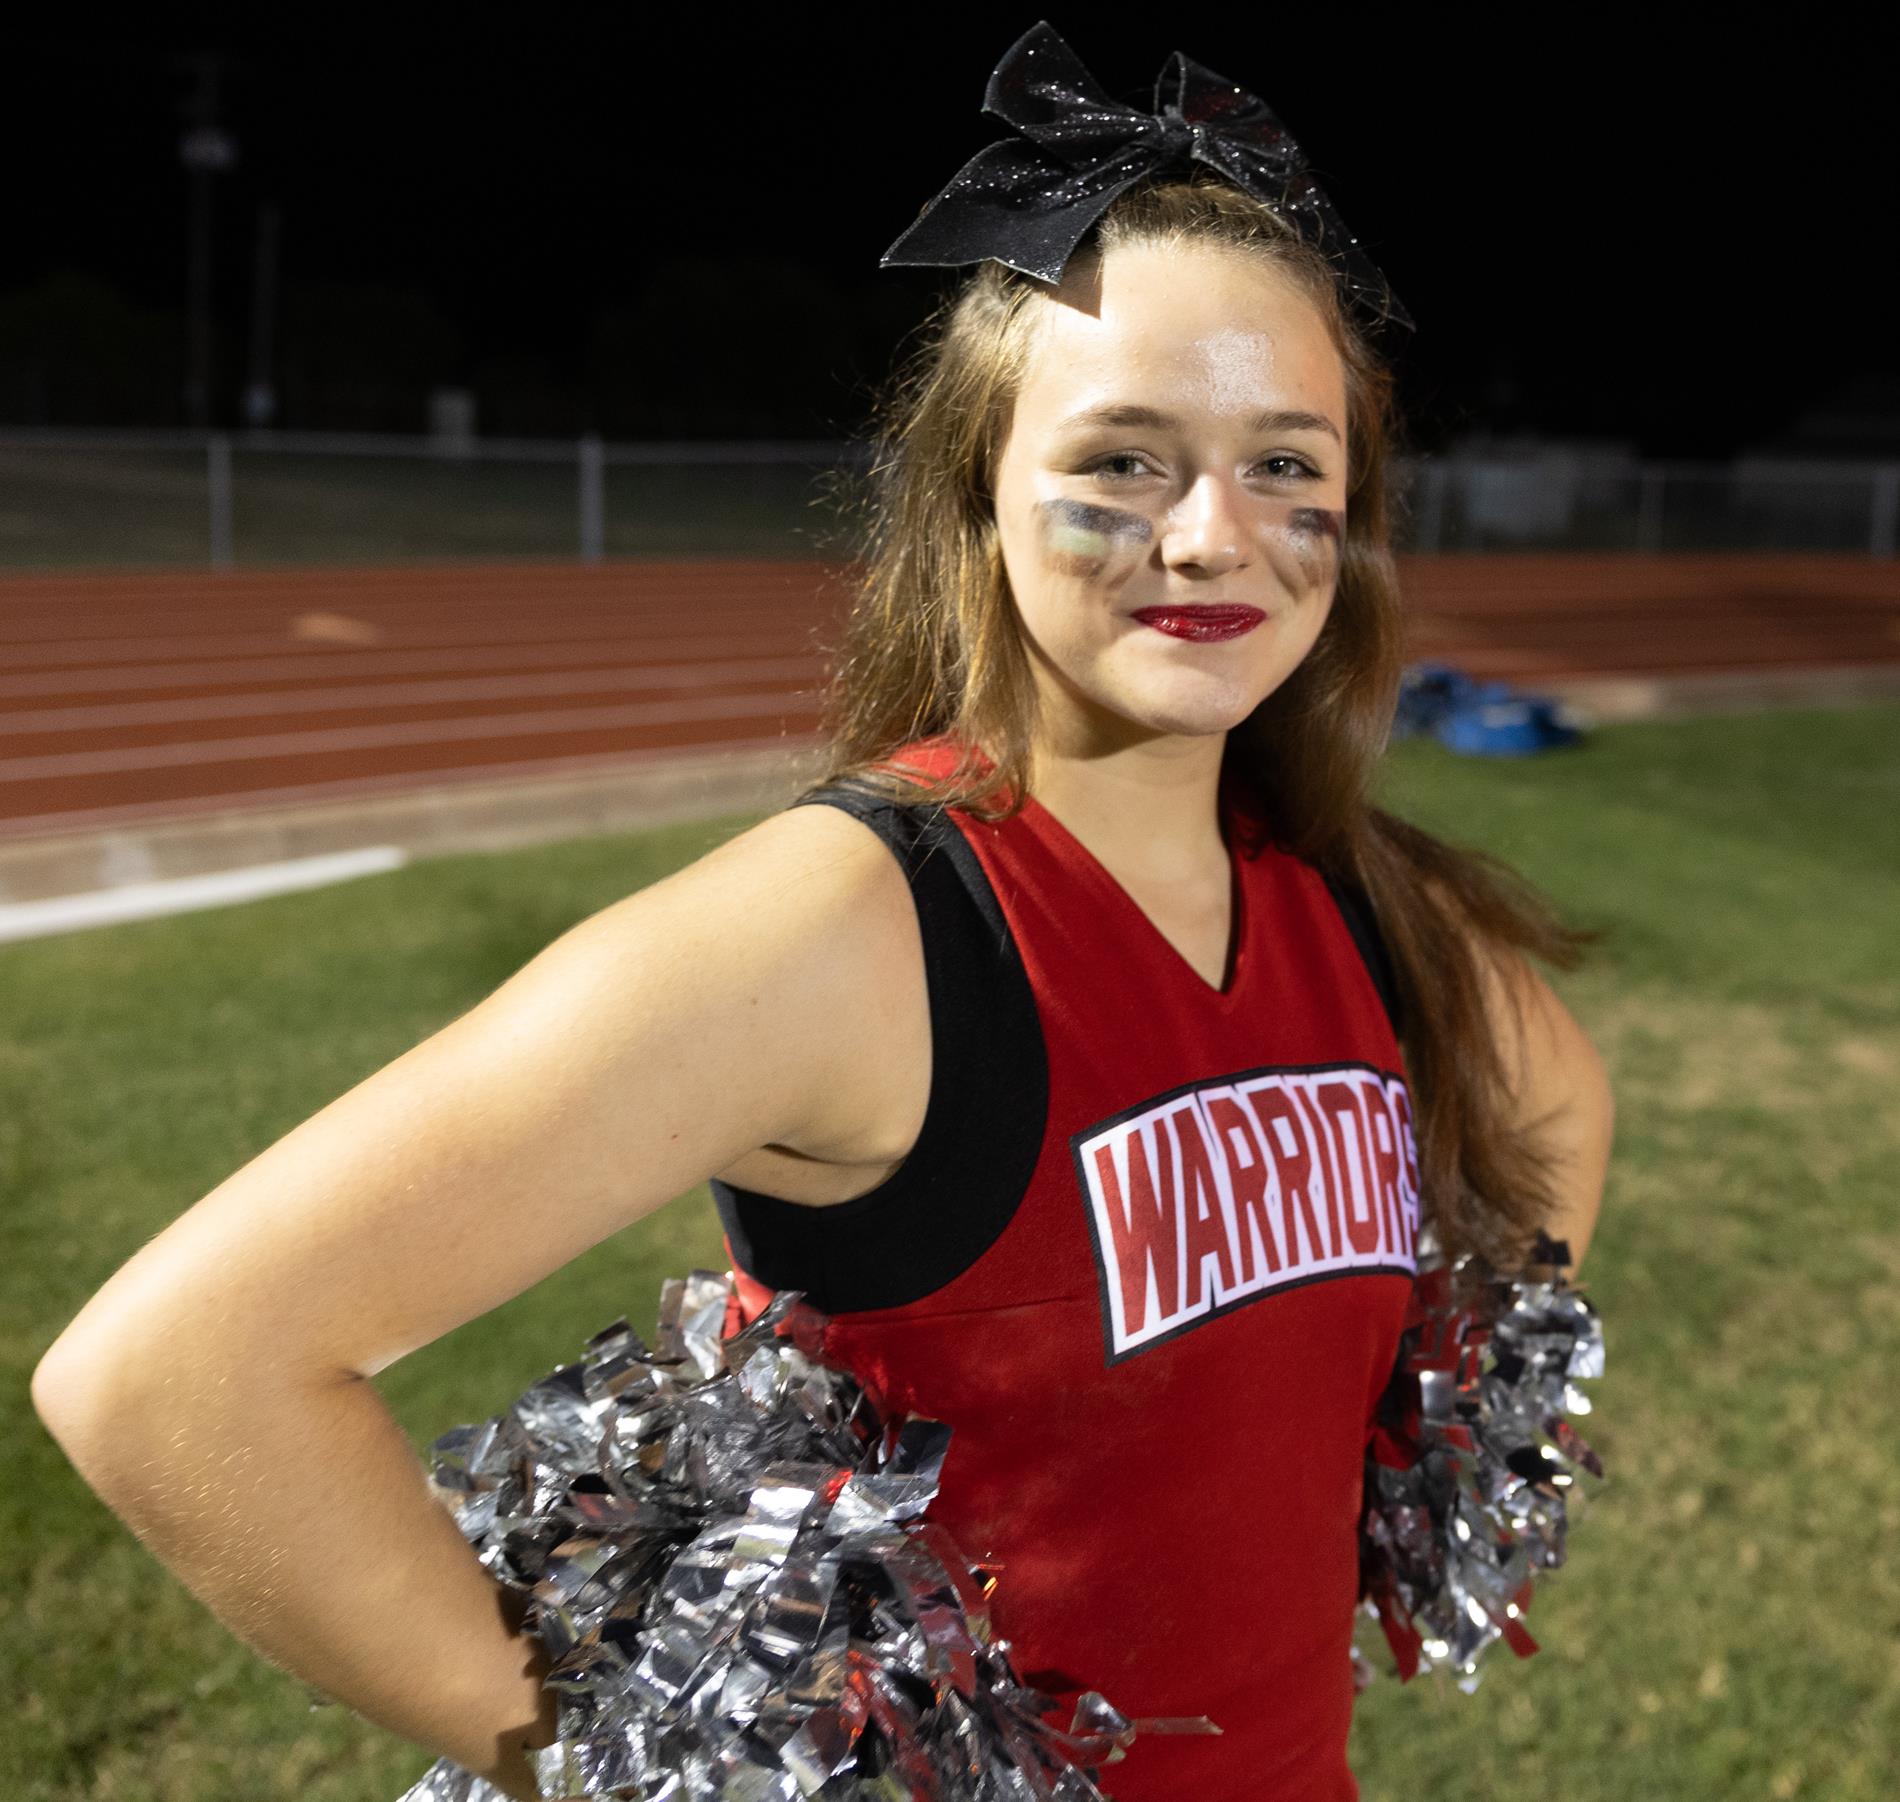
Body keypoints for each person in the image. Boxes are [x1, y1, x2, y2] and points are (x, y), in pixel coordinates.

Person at [31, 26, 1615, 1802]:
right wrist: (680, 1758)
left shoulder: (1359, 902)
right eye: (1123, 459)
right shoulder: (847, 926)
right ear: (976, 494)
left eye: (1287, 468)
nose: (1210, 536)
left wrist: (1424, 1436)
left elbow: (1556, 1101)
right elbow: (176, 1376)